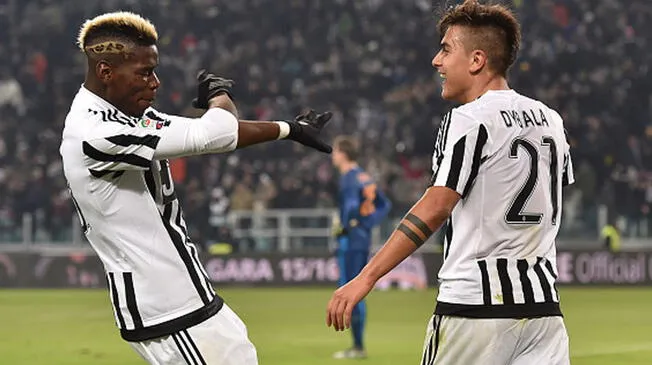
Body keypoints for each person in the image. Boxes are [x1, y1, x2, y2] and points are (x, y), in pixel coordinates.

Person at [59, 11, 332, 365]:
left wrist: (289, 129)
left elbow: (212, 134)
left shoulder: (124, 115)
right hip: (167, 305)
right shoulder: (95, 132)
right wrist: (219, 95)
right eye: (144, 72)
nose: (154, 82)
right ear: (106, 72)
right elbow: (212, 132)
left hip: (181, 296)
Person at [325, 1, 574, 364]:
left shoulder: (468, 119)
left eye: (445, 49)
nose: (436, 61)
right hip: (543, 311)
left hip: (473, 309)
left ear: (476, 61)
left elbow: (436, 206)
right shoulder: (550, 119)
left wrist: (366, 277)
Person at [330, 136, 391, 359]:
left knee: (351, 289)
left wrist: (348, 225)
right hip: (361, 238)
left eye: (335, 151)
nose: (333, 155)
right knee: (357, 288)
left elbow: (351, 206)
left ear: (343, 153)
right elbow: (384, 204)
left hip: (351, 241)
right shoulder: (364, 176)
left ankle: (357, 346)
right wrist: (367, 224)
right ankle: (357, 345)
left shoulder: (348, 178)